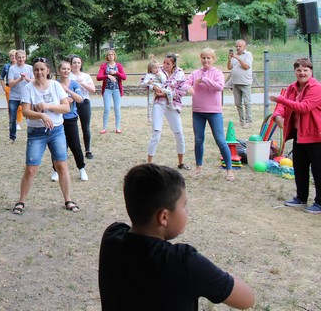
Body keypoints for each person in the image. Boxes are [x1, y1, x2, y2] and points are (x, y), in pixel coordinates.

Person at [98, 164, 255, 310]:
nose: (187, 211)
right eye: (184, 205)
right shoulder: (184, 262)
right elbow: (247, 300)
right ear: (164, 217)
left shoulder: (112, 237)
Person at [12, 57, 79, 214]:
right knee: (31, 169)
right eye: (36, 69)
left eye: (42, 69)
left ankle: (68, 199)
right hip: (36, 133)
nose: (39, 72)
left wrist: (47, 106)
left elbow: (66, 108)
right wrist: (41, 115)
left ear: (48, 70)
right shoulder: (28, 88)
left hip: (56, 131)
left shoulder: (55, 85)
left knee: (61, 166)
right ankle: (21, 201)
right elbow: (26, 112)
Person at [270, 57, 321, 214]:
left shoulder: (316, 88)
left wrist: (281, 99)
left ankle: (319, 203)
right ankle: (301, 197)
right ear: (295, 72)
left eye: (305, 70)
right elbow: (282, 106)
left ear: (311, 72)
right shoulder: (292, 87)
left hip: (316, 135)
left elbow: (303, 107)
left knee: (318, 170)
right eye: (299, 70)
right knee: (300, 167)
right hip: (299, 134)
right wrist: (278, 114)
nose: (302, 73)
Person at [185, 48, 234, 180]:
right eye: (204, 58)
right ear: (200, 59)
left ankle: (229, 169)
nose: (206, 60)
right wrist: (189, 87)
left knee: (220, 140)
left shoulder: (217, 73)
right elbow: (186, 83)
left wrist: (204, 80)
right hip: (198, 111)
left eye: (209, 58)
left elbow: (219, 87)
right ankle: (198, 167)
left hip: (214, 112)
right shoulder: (195, 73)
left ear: (213, 59)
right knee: (198, 140)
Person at [146, 54, 189, 170]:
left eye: (168, 63)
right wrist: (154, 87)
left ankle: (181, 162)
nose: (165, 65)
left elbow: (183, 90)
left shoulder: (180, 73)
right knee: (156, 132)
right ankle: (149, 163)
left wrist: (167, 93)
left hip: (173, 105)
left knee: (179, 133)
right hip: (158, 103)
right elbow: (146, 80)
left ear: (173, 64)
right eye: (164, 62)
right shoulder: (157, 69)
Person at [54, 60, 88, 182]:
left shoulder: (74, 84)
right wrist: (64, 101)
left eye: (68, 69)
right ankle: (56, 170)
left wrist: (68, 91)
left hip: (71, 119)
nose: (66, 71)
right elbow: (52, 100)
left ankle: (81, 168)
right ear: (59, 70)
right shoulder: (54, 84)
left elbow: (80, 99)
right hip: (57, 119)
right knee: (58, 146)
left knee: (75, 145)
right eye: (63, 69)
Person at [70, 55, 96, 159]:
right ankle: (73, 150)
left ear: (81, 64)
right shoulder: (68, 75)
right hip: (72, 103)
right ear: (71, 64)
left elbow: (93, 89)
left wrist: (82, 83)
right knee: (71, 128)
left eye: (78, 63)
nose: (76, 65)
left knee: (86, 127)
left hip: (84, 103)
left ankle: (88, 150)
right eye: (74, 63)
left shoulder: (86, 76)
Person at [96, 49, 126, 134]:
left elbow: (124, 77)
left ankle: (118, 128)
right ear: (107, 56)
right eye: (109, 55)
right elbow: (98, 77)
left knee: (117, 109)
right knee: (107, 108)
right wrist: (108, 76)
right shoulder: (104, 66)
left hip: (116, 89)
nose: (111, 56)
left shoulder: (119, 66)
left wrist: (116, 72)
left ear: (114, 56)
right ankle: (104, 128)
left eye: (112, 54)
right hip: (107, 89)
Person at [7, 49, 33, 142]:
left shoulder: (30, 68)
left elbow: (34, 82)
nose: (21, 59)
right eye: (19, 57)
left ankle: (31, 136)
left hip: (27, 97)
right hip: (14, 97)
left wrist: (26, 78)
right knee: (12, 118)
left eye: (23, 57)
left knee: (30, 117)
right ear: (16, 58)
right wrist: (20, 79)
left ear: (25, 58)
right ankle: (12, 137)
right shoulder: (12, 69)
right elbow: (10, 83)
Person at [227, 39, 253, 127]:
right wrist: (229, 59)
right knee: (238, 103)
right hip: (235, 82)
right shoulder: (234, 56)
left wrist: (238, 58)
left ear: (244, 47)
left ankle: (249, 121)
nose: (238, 48)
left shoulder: (248, 55)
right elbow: (229, 67)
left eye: (240, 46)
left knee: (247, 102)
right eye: (237, 46)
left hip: (245, 82)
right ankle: (242, 121)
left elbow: (246, 67)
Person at [0, 50, 23, 132]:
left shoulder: (20, 66)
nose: (13, 57)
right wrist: (4, 88)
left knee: (20, 107)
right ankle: (11, 123)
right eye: (11, 56)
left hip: (19, 88)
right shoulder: (6, 66)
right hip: (9, 88)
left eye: (14, 56)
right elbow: (1, 78)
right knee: (11, 107)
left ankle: (18, 123)